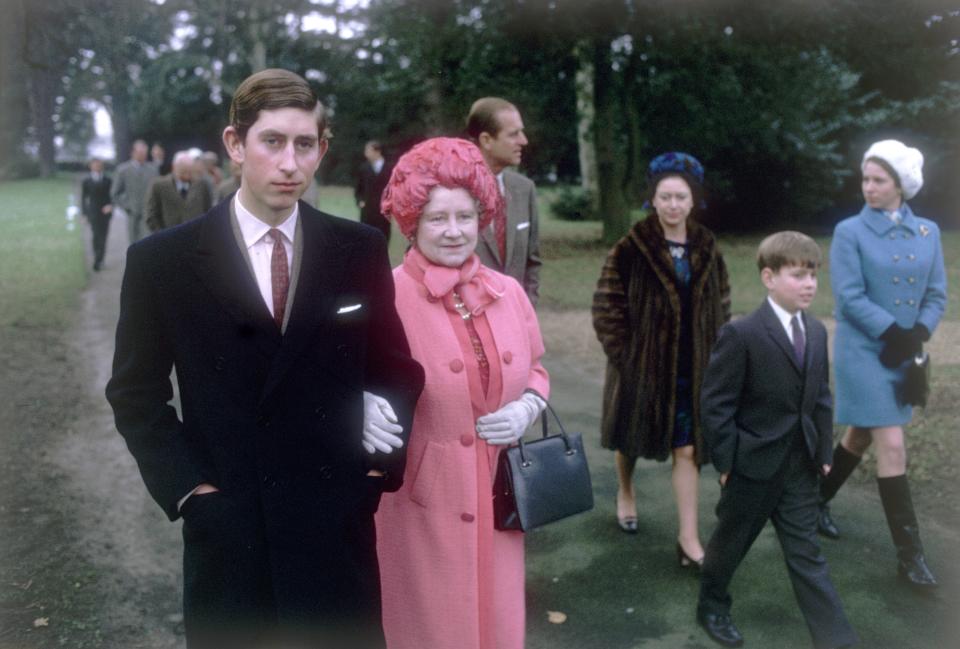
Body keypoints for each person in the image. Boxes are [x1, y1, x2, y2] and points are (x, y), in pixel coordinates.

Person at [105, 68, 424, 649]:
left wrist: (376, 472)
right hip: (230, 534)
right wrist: (190, 493)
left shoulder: (358, 248)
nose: (289, 163)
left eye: (305, 145)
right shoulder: (163, 262)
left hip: (334, 530)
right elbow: (134, 393)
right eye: (272, 141)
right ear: (235, 144)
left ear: (322, 150)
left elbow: (396, 369)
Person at [375, 137, 549, 649]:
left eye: (465, 217)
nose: (454, 231)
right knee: (432, 629)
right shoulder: (384, 296)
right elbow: (340, 384)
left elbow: (538, 370)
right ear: (411, 222)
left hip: (499, 497)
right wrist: (355, 406)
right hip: (419, 508)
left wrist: (527, 406)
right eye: (436, 219)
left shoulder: (508, 291)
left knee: (495, 623)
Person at [697, 232, 858, 649]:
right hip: (751, 465)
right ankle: (712, 604)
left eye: (813, 276)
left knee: (807, 557)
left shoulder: (818, 332)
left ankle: (837, 640)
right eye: (797, 275)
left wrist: (823, 450)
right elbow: (717, 405)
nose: (809, 284)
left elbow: (820, 397)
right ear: (769, 277)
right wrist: (728, 462)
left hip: (800, 465)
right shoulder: (743, 334)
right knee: (730, 544)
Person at [818, 140, 946, 589]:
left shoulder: (928, 232)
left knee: (858, 436)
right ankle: (910, 558)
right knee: (890, 442)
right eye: (865, 179)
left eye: (879, 180)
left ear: (901, 186)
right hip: (864, 351)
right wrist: (893, 333)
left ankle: (815, 501)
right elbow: (849, 298)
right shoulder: (849, 232)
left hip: (905, 352)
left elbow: (937, 295)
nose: (868, 187)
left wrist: (918, 334)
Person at [592, 152, 730, 567]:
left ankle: (688, 538)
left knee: (686, 450)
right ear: (652, 199)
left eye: (680, 197)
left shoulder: (706, 245)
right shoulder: (632, 246)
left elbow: (722, 303)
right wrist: (627, 356)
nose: (672, 205)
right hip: (644, 368)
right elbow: (606, 305)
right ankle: (626, 491)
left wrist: (720, 351)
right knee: (630, 439)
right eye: (665, 196)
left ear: (692, 201)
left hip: (694, 366)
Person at [466, 97, 542, 305]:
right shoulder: (454, 191)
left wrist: (527, 311)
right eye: (513, 134)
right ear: (486, 140)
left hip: (516, 323)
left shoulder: (524, 189)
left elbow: (532, 263)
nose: (523, 141)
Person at [144, 151, 214, 232]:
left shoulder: (202, 185)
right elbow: (151, 216)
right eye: (183, 172)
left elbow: (208, 211)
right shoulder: (159, 186)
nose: (187, 176)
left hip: (196, 237)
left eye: (190, 172)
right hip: (168, 238)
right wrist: (161, 236)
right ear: (174, 167)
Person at [111, 138, 158, 244]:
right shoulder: (123, 170)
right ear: (133, 153)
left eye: (145, 153)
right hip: (132, 214)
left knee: (148, 243)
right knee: (134, 243)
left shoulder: (153, 170)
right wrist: (127, 207)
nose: (143, 155)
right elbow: (115, 194)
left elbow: (157, 192)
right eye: (140, 153)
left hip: (149, 215)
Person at [354, 140, 392, 242]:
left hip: (383, 211)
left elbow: (393, 189)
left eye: (368, 151)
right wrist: (360, 201)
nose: (365, 154)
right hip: (367, 211)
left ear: (377, 151)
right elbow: (358, 189)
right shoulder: (364, 168)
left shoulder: (389, 169)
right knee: (366, 238)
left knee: (383, 237)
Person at [80, 157, 113, 271]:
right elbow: (83, 198)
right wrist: (84, 214)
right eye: (95, 164)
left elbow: (112, 196)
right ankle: (97, 258)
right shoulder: (86, 181)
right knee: (95, 235)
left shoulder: (108, 180)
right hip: (93, 212)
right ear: (91, 166)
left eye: (99, 164)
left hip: (105, 213)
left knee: (103, 236)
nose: (97, 166)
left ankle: (100, 258)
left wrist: (111, 205)